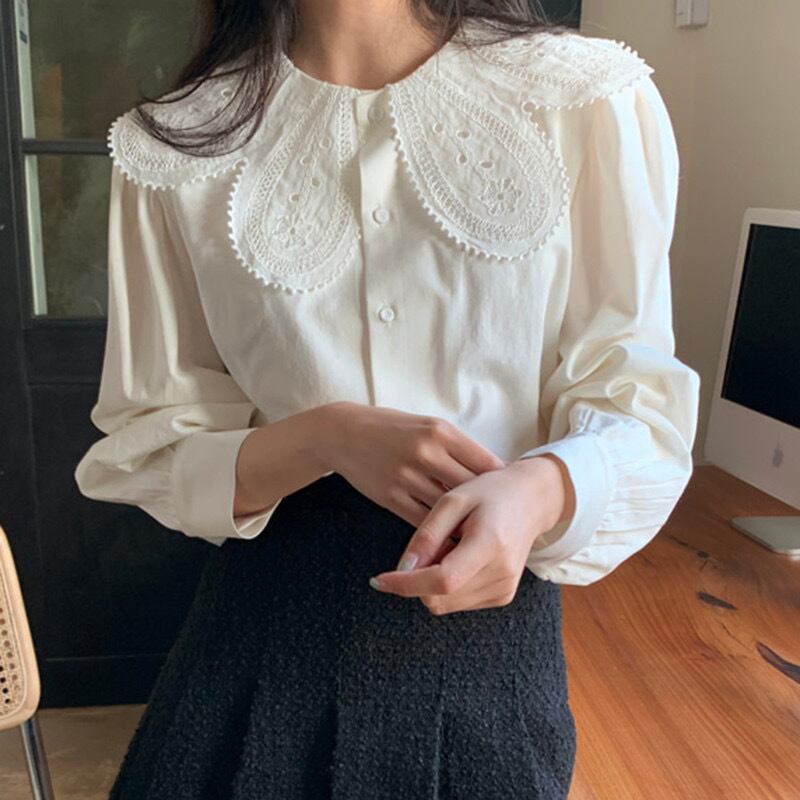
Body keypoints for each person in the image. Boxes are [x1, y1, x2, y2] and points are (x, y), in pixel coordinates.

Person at [73, 2, 700, 798]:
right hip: (258, 645)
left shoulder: (584, 97)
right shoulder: (175, 143)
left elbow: (639, 404)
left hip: (487, 650)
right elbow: (151, 438)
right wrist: (325, 436)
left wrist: (541, 490)